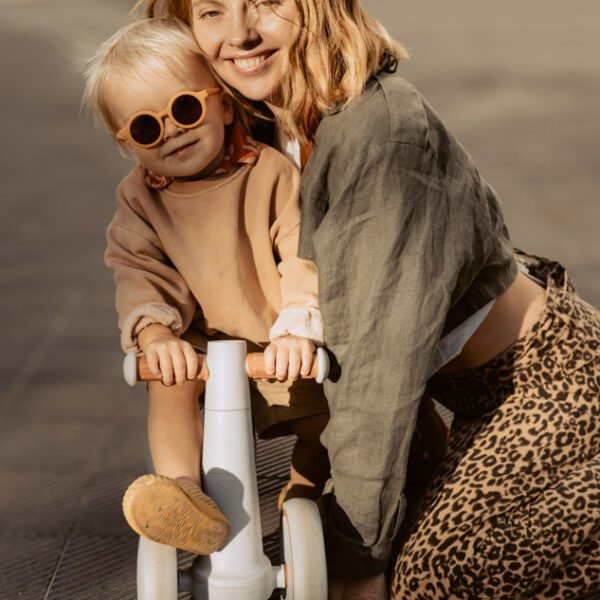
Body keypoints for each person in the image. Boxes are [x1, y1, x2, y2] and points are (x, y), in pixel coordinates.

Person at [123, 2, 600, 599]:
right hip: (461, 395)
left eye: (266, 3)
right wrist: (155, 331)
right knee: (357, 544)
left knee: (431, 576)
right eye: (213, 11)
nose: (239, 34)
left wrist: (357, 563)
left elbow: (379, 370)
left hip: (551, 384)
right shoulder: (263, 123)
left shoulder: (382, 136)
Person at [82, 16, 331, 555]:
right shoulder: (138, 200)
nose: (171, 131)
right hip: (197, 344)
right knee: (169, 388)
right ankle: (184, 499)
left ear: (221, 103)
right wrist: (154, 335)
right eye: (147, 128)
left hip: (273, 339)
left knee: (322, 426)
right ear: (126, 142)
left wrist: (298, 324)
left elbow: (300, 250)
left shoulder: (269, 173)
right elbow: (136, 267)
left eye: (186, 109)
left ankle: (306, 494)